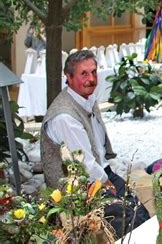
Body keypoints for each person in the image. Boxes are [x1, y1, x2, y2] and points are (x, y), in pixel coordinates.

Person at [40, 50, 150, 238]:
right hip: (78, 188)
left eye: (94, 72)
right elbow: (84, 165)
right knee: (127, 221)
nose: (91, 79)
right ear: (69, 77)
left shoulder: (86, 98)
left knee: (142, 214)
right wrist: (108, 184)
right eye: (84, 73)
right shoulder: (65, 116)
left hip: (102, 172)